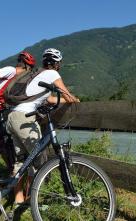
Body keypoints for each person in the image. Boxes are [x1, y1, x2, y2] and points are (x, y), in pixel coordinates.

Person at [6, 48, 80, 205]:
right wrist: (74, 99)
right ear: (57, 64)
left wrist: (68, 99)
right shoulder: (52, 74)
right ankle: (37, 200)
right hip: (25, 120)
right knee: (39, 160)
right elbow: (65, 94)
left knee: (21, 160)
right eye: (59, 63)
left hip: (13, 117)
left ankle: (19, 199)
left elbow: (51, 100)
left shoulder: (38, 75)